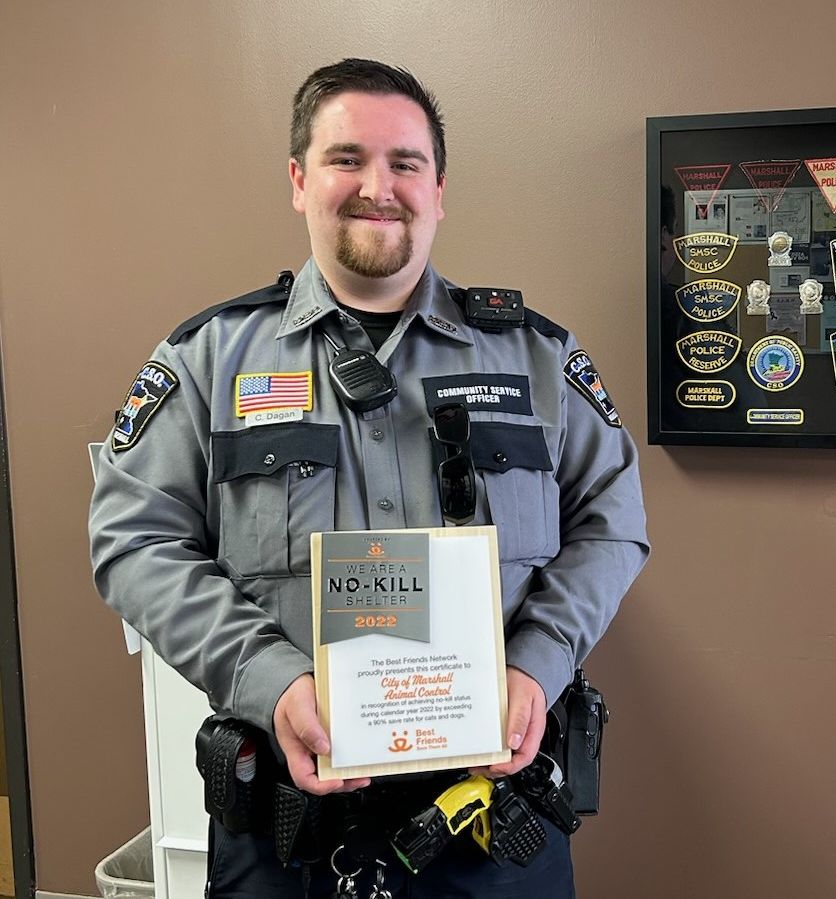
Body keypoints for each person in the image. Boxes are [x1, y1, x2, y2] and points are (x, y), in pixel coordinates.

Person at [89, 58, 649, 898]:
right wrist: (268, 678)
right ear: (298, 179)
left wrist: (539, 662)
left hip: (493, 826)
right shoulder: (208, 361)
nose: (377, 187)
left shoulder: (536, 358)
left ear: (438, 189)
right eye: (346, 159)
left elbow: (613, 521)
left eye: (405, 163)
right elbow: (133, 540)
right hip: (289, 838)